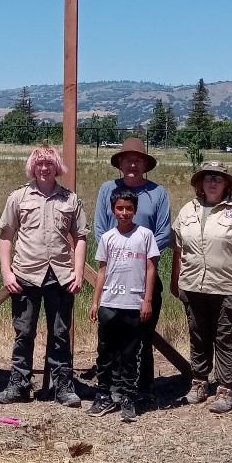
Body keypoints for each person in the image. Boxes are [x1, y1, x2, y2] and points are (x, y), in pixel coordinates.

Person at [0, 146, 89, 407]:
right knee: (24, 333)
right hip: (26, 274)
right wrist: (6, 273)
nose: (44, 168)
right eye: (39, 164)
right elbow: (6, 237)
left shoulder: (70, 200)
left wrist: (78, 272)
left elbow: (80, 237)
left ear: (57, 167)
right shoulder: (18, 197)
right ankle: (19, 385)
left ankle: (63, 387)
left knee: (60, 333)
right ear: (32, 168)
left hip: (60, 277)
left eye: (49, 164)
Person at [170, 160, 232, 413]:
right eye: (208, 177)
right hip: (193, 285)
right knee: (198, 335)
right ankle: (199, 383)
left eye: (218, 178)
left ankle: (224, 389)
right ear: (200, 183)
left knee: (225, 337)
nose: (212, 182)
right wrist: (175, 280)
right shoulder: (187, 210)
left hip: (229, 286)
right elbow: (178, 250)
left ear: (226, 184)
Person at [94, 138, 171, 400]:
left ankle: (142, 386)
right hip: (114, 275)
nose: (133, 164)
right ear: (120, 163)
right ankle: (113, 385)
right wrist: (118, 251)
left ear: (145, 165)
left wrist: (140, 252)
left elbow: (164, 232)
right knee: (111, 333)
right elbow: (100, 229)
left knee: (142, 334)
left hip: (144, 274)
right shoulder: (108, 189)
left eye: (138, 160)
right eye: (127, 159)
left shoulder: (157, 193)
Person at [90, 189, 160, 423]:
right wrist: (96, 301)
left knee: (130, 355)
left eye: (129, 208)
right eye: (120, 208)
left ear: (135, 210)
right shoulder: (108, 238)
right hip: (110, 302)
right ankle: (104, 394)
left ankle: (128, 397)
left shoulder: (145, 235)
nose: (124, 213)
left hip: (133, 303)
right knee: (105, 353)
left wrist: (147, 300)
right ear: (113, 210)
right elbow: (102, 270)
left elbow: (150, 268)